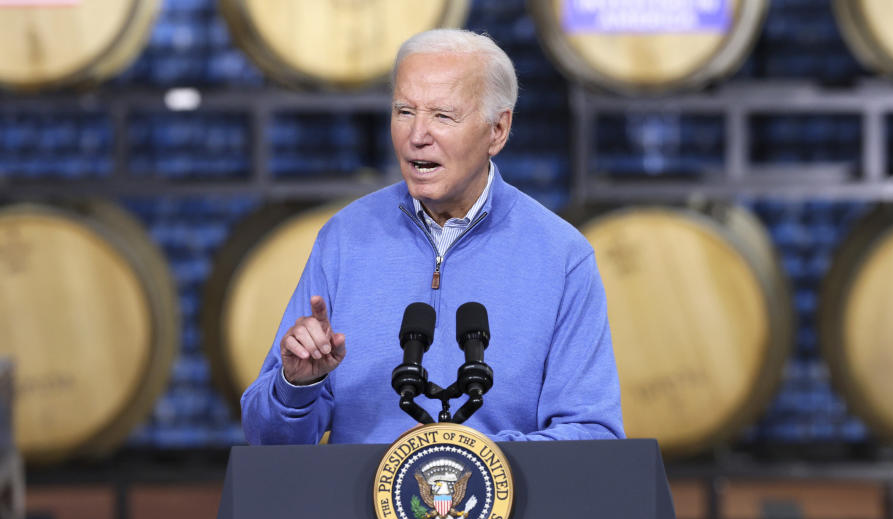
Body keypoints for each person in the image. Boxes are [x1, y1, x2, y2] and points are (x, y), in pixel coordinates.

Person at [241, 29, 624, 444]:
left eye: (442, 115)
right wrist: (296, 388)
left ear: (498, 129)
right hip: (358, 506)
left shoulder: (562, 256)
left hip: (507, 505)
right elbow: (268, 442)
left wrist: (471, 461)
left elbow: (593, 434)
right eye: (404, 111)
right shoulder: (344, 239)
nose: (417, 134)